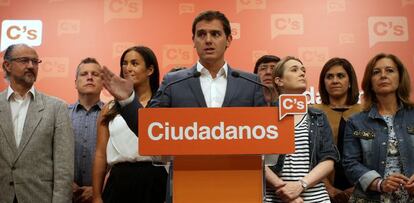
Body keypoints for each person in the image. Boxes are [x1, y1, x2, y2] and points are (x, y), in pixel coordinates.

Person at [92, 46, 167, 203]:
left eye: (134, 63)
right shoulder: (109, 108)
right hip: (119, 181)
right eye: (124, 63)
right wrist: (97, 195)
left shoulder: (163, 104)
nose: (128, 68)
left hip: (156, 180)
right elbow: (100, 154)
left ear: (150, 70)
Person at [0, 43, 74, 202]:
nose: (31, 66)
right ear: (7, 65)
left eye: (35, 62)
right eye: (24, 60)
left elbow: (64, 168)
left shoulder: (56, 108)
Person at [265, 56, 339, 203]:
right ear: (279, 81)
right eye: (294, 70)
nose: (302, 73)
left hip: (315, 198)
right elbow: (257, 159)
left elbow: (329, 159)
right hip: (275, 197)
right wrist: (284, 191)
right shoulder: (265, 115)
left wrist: (300, 186)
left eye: (303, 70)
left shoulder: (318, 116)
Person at [342, 53, 414, 202]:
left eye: (390, 70)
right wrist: (379, 184)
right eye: (376, 72)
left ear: (400, 77)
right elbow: (350, 163)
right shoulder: (355, 122)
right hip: (370, 198)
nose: (383, 75)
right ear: (370, 82)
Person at [313, 57, 362, 202]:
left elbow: (374, 154)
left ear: (350, 82)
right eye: (329, 77)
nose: (335, 80)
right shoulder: (313, 112)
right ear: (323, 82)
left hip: (364, 189)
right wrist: (328, 187)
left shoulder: (366, 112)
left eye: (340, 76)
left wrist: (360, 186)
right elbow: (309, 154)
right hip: (320, 189)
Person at [69, 58, 104, 203]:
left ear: (103, 83)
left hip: (102, 196)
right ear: (75, 82)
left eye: (95, 74)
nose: (89, 77)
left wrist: (98, 189)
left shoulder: (114, 115)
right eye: (84, 74)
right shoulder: (61, 114)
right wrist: (64, 183)